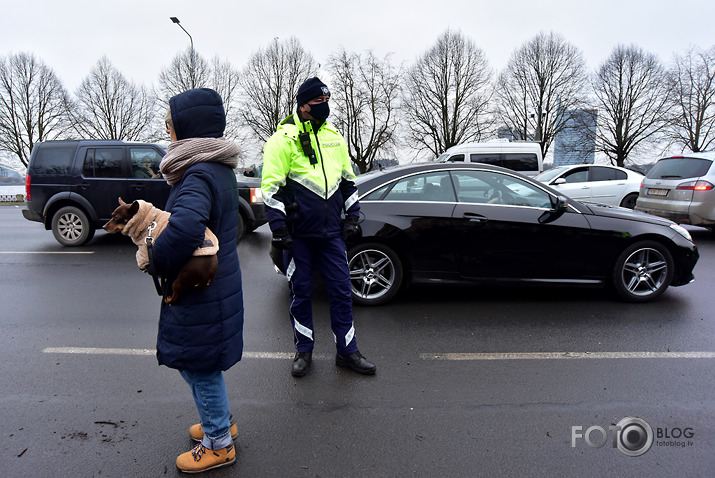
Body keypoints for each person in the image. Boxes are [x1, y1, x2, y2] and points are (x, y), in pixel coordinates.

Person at [152, 88, 244, 473]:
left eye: (171, 123)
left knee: (197, 365)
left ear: (187, 128)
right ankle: (220, 422)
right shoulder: (217, 167)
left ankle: (219, 442)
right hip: (216, 286)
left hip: (200, 290)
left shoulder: (196, 174)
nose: (167, 130)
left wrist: (154, 255)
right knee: (203, 363)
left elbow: (186, 228)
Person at [261, 77, 376, 377]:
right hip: (298, 236)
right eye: (318, 103)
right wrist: (279, 229)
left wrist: (353, 216)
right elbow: (270, 188)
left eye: (327, 102)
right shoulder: (282, 139)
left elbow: (348, 181)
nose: (325, 107)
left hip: (331, 235)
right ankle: (304, 351)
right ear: (303, 104)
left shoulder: (335, 137)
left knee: (341, 292)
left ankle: (347, 353)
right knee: (301, 294)